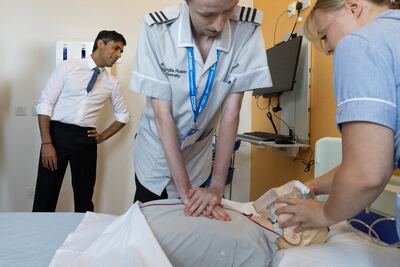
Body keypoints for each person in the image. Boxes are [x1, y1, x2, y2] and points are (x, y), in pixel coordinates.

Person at [130, 0, 272, 220]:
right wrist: (184, 191)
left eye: (227, 11)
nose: (219, 25)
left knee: (190, 225)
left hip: (197, 155)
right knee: (148, 224)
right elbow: (162, 115)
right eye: (208, 14)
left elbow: (231, 114)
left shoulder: (246, 29)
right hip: (156, 152)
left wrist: (216, 187)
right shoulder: (157, 30)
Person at [275, 0, 400, 234]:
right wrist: (311, 187)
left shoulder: (359, 43)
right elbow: (372, 159)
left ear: (353, 8)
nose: (329, 49)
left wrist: (324, 213)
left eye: (324, 36)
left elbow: (367, 172)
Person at [33, 30, 130, 212]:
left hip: (86, 139)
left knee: (84, 197)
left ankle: (83, 238)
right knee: (46, 194)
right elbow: (45, 103)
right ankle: (37, 236)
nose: (118, 55)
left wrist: (101, 137)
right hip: (57, 135)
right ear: (101, 44)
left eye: (121, 52)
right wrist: (47, 142)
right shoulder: (68, 67)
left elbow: (123, 116)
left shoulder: (112, 82)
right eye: (115, 48)